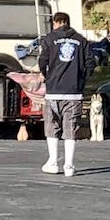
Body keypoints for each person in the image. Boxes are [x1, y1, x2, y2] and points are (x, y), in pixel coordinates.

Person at [37, 12, 96, 177]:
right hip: (74, 93)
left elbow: (42, 61)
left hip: (53, 92)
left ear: (56, 22)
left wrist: (48, 77)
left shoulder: (49, 39)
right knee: (70, 129)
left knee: (52, 127)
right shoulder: (81, 40)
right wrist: (81, 80)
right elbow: (91, 63)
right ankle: (69, 166)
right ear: (67, 23)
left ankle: (53, 162)